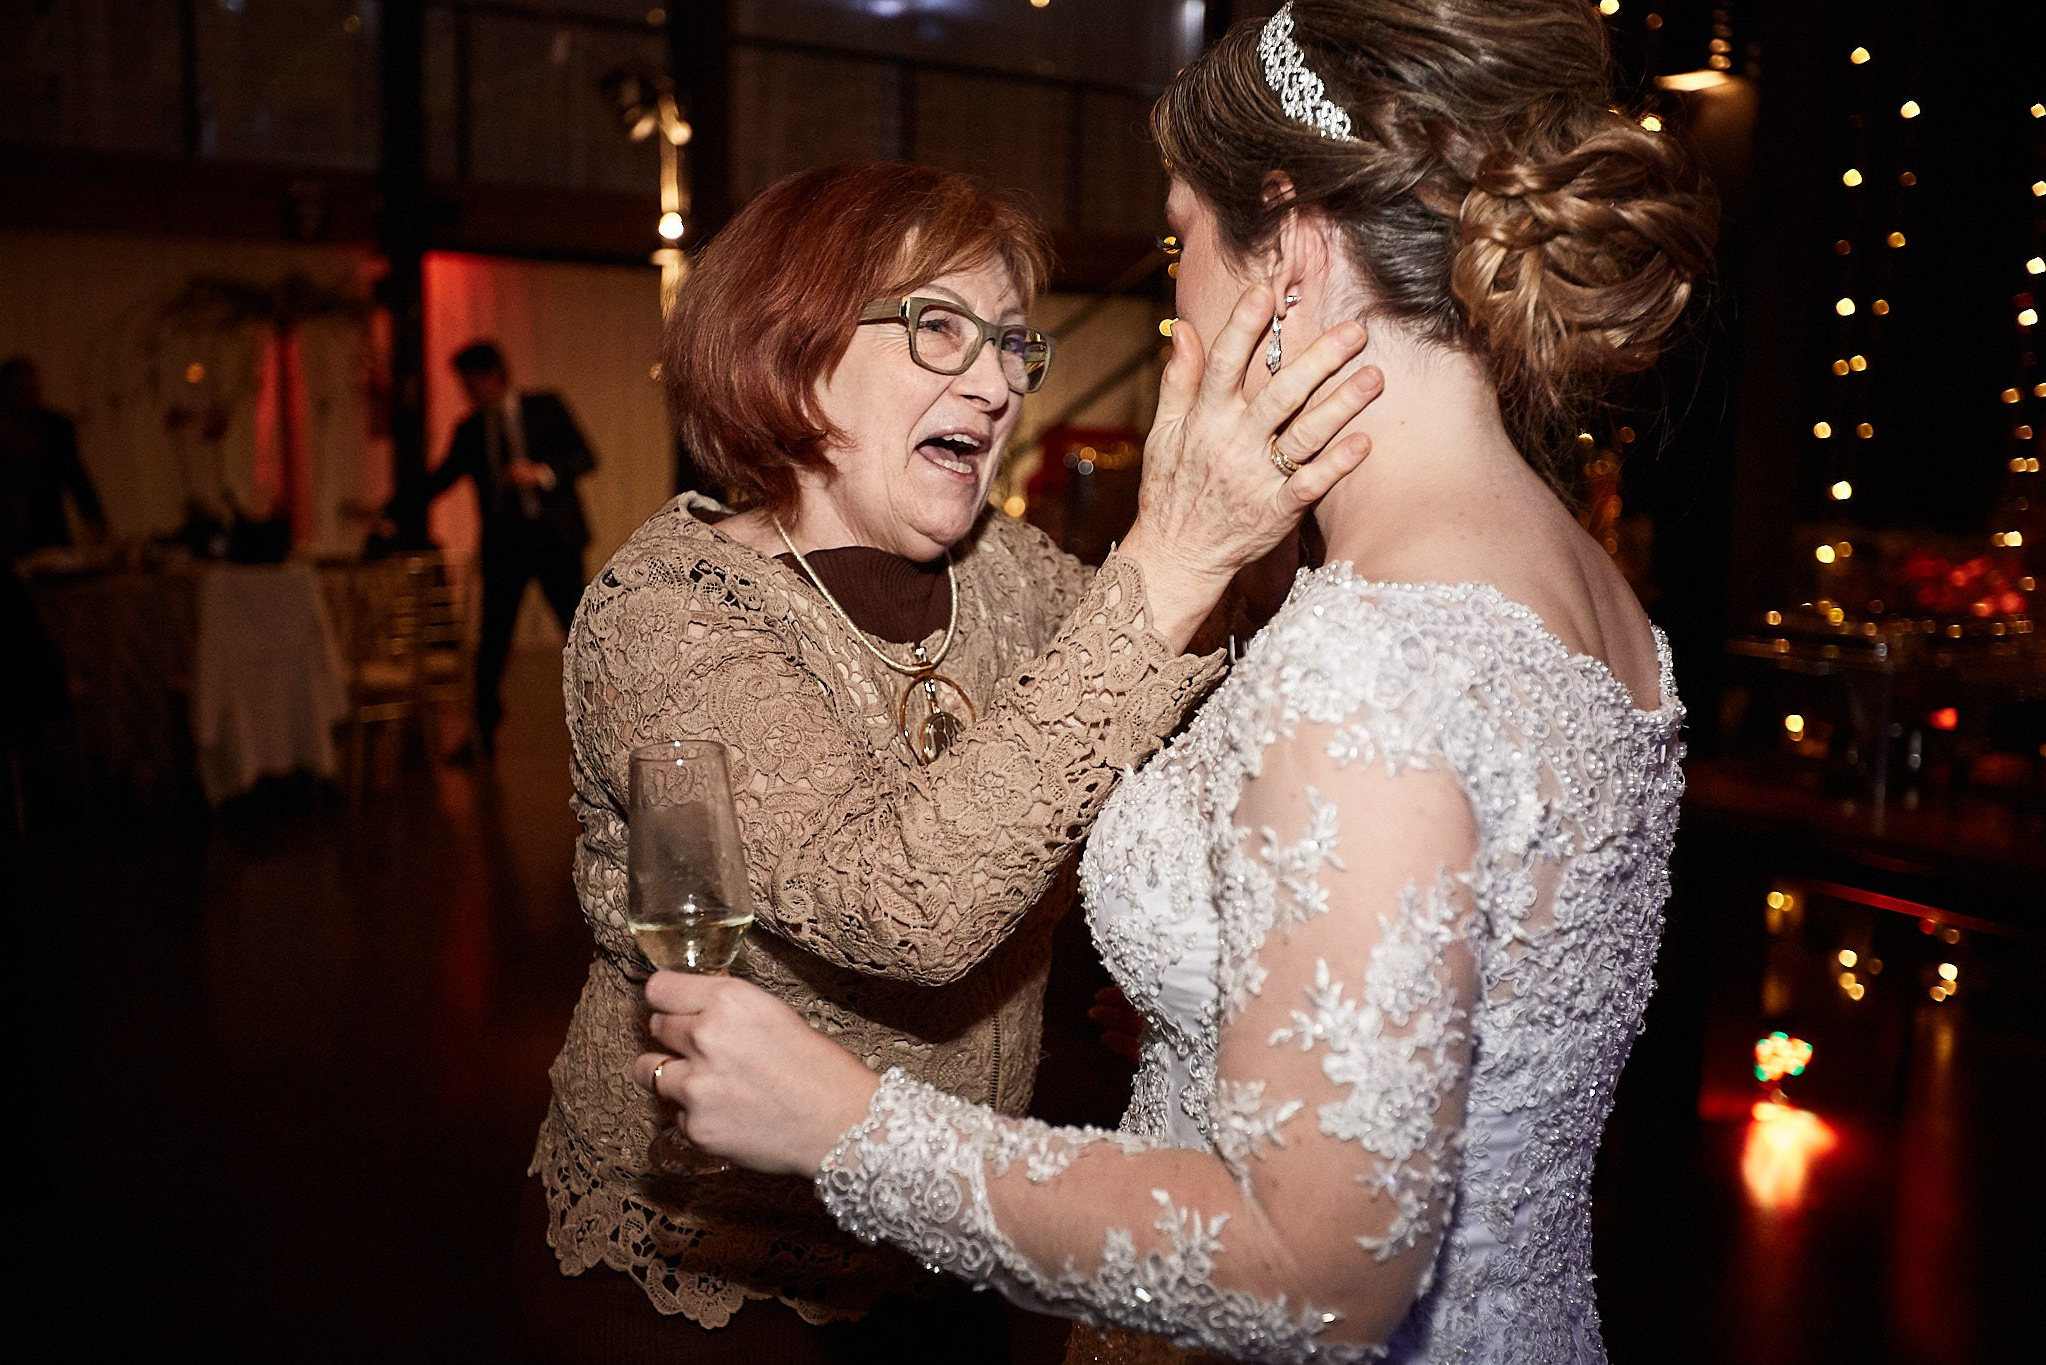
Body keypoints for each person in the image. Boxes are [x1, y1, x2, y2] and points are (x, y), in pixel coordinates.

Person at [635, 4, 1716, 1361]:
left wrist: (846, 1124)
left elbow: (1317, 1270)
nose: (1173, 298)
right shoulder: (1590, 586)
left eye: (1179, 243)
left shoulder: (1366, 655)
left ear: (1296, 253)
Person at [522, 161, 1381, 1362]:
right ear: (794, 347)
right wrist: (1173, 562)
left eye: (1013, 344)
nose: (994, 382)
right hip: (716, 1262)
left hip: (955, 1231)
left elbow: (1190, 722)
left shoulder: (1014, 575)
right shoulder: (670, 615)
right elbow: (906, 906)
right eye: (938, 328)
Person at [403, 342, 595, 759]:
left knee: (581, 633)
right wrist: (389, 507)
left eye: (471, 382)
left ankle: (608, 722)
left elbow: (585, 456)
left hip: (554, 541)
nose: (468, 392)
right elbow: (440, 479)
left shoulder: (544, 407)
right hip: (506, 547)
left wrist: (541, 474)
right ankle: (482, 733)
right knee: (492, 642)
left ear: (493, 374)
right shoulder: (471, 429)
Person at [0, 356, 106, 558]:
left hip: (50, 530)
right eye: (20, 391)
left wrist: (93, 520)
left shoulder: (55, 427)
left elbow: (76, 476)